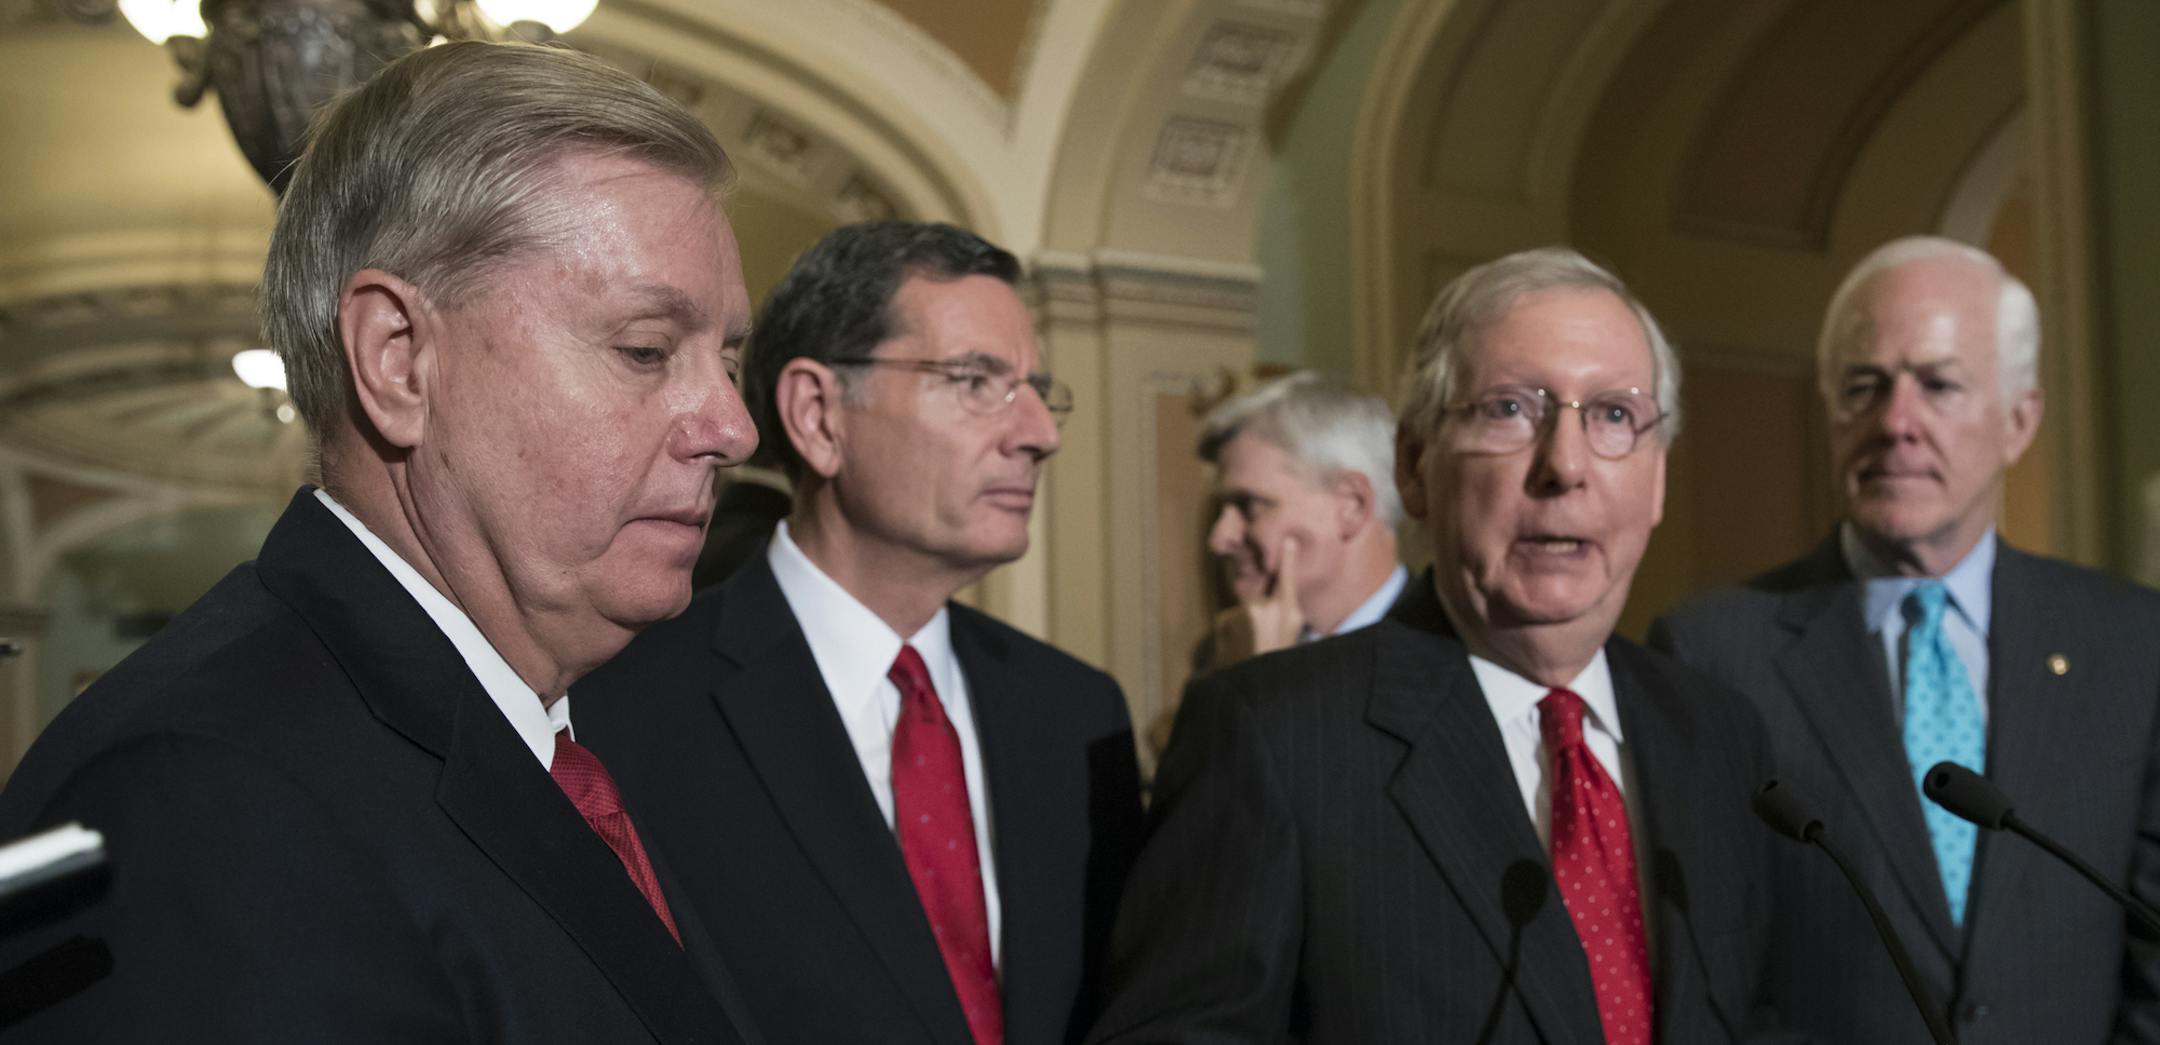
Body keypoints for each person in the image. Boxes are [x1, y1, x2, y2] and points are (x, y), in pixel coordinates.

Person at [0, 42, 763, 1042]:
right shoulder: (194, 798)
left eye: (729, 358)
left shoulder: (602, 743)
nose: (734, 428)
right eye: (645, 349)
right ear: (398, 360)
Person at [1089, 247, 1783, 1043]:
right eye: (1511, 410)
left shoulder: (1718, 731)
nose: (1565, 465)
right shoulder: (1273, 734)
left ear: (1656, 479)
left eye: (1614, 416)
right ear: (1414, 467)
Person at [575, 221, 1145, 1045]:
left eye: (1035, 389)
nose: (1037, 433)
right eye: (977, 380)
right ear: (818, 415)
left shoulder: (1078, 711)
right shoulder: (625, 712)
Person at [1652, 236, 2160, 1044]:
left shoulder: (2133, 641)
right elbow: (1711, 975)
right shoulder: (1710, 651)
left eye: (1940, 384)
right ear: (1830, 413)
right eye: (1865, 386)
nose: (1896, 422)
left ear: (2019, 421)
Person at [1196, 372, 1407, 665]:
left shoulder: (1447, 651)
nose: (1219, 539)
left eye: (1249, 506)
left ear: (1351, 505)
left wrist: (1263, 682)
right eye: (1223, 510)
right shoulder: (1222, 656)